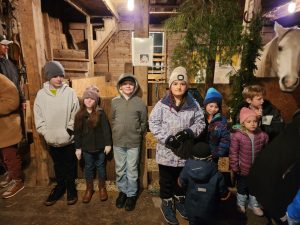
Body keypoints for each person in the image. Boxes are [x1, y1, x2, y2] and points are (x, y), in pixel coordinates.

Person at [149, 66, 205, 225]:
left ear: (186, 86)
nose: (179, 87)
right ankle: (167, 202)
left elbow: (200, 122)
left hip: (185, 153)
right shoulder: (162, 104)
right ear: (170, 86)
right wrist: (166, 138)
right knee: (166, 180)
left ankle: (180, 199)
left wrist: (189, 133)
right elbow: (153, 123)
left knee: (182, 179)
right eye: (175, 84)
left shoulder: (193, 104)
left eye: (182, 84)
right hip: (167, 153)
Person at [34, 61, 80, 206]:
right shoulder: (41, 95)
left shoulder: (70, 92)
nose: (59, 79)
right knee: (58, 165)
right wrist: (45, 133)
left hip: (68, 138)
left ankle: (71, 188)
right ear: (48, 77)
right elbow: (38, 116)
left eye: (61, 75)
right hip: (51, 138)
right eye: (55, 76)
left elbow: (76, 112)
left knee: (70, 164)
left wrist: (69, 130)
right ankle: (60, 187)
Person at [248, 109, 300, 224]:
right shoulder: (291, 150)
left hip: (265, 193)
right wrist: (281, 214)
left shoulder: (284, 139)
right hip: (277, 202)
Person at [111, 73, 147, 211]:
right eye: (125, 84)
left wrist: (138, 132)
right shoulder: (115, 102)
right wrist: (116, 130)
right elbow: (113, 119)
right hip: (118, 142)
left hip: (133, 142)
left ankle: (131, 194)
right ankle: (123, 192)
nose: (128, 86)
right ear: (120, 86)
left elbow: (143, 122)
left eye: (131, 84)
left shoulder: (139, 102)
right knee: (120, 169)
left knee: (132, 170)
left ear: (135, 86)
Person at [74, 86, 112, 203]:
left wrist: (108, 144)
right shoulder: (80, 114)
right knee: (88, 168)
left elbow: (106, 130)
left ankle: (102, 188)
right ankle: (89, 189)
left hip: (100, 148)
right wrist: (78, 148)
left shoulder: (100, 113)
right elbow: (77, 133)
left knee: (101, 167)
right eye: (86, 98)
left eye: (92, 98)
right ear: (83, 100)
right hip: (86, 148)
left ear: (95, 100)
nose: (89, 100)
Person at [178, 142, 230, 225]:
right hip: (210, 210)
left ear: (193, 157)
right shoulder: (217, 174)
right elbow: (224, 193)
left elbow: (180, 183)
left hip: (191, 209)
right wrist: (226, 195)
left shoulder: (187, 170)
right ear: (210, 157)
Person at [230, 107, 269, 216]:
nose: (253, 124)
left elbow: (265, 152)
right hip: (243, 169)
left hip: (257, 170)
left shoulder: (262, 136)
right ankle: (241, 204)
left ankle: (254, 205)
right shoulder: (238, 136)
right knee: (242, 187)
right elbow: (233, 152)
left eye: (255, 121)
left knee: (255, 188)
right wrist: (235, 166)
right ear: (243, 123)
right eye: (249, 121)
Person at [0, 73, 24, 198]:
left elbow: (12, 101)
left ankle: (17, 181)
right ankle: (10, 174)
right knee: (3, 157)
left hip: (7, 126)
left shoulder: (2, 80)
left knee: (10, 155)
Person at [202, 87, 230, 161]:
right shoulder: (200, 118)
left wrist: (218, 153)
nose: (213, 109)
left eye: (216, 107)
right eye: (211, 106)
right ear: (205, 105)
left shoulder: (221, 120)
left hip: (214, 156)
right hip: (200, 154)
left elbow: (225, 138)